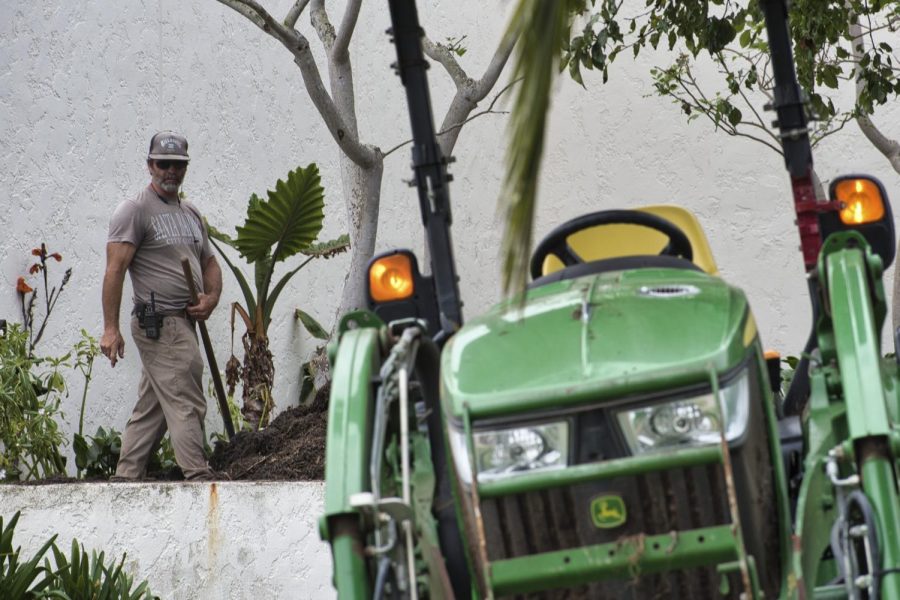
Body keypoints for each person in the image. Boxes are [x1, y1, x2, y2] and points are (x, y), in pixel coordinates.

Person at [100, 131, 222, 481]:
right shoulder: (135, 210)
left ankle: (126, 477)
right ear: (150, 165)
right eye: (163, 164)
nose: (171, 171)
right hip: (160, 322)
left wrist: (210, 298)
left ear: (186, 167)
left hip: (184, 322)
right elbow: (115, 269)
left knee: (152, 407)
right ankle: (198, 475)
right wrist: (110, 328)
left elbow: (210, 263)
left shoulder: (190, 212)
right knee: (186, 397)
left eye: (178, 165)